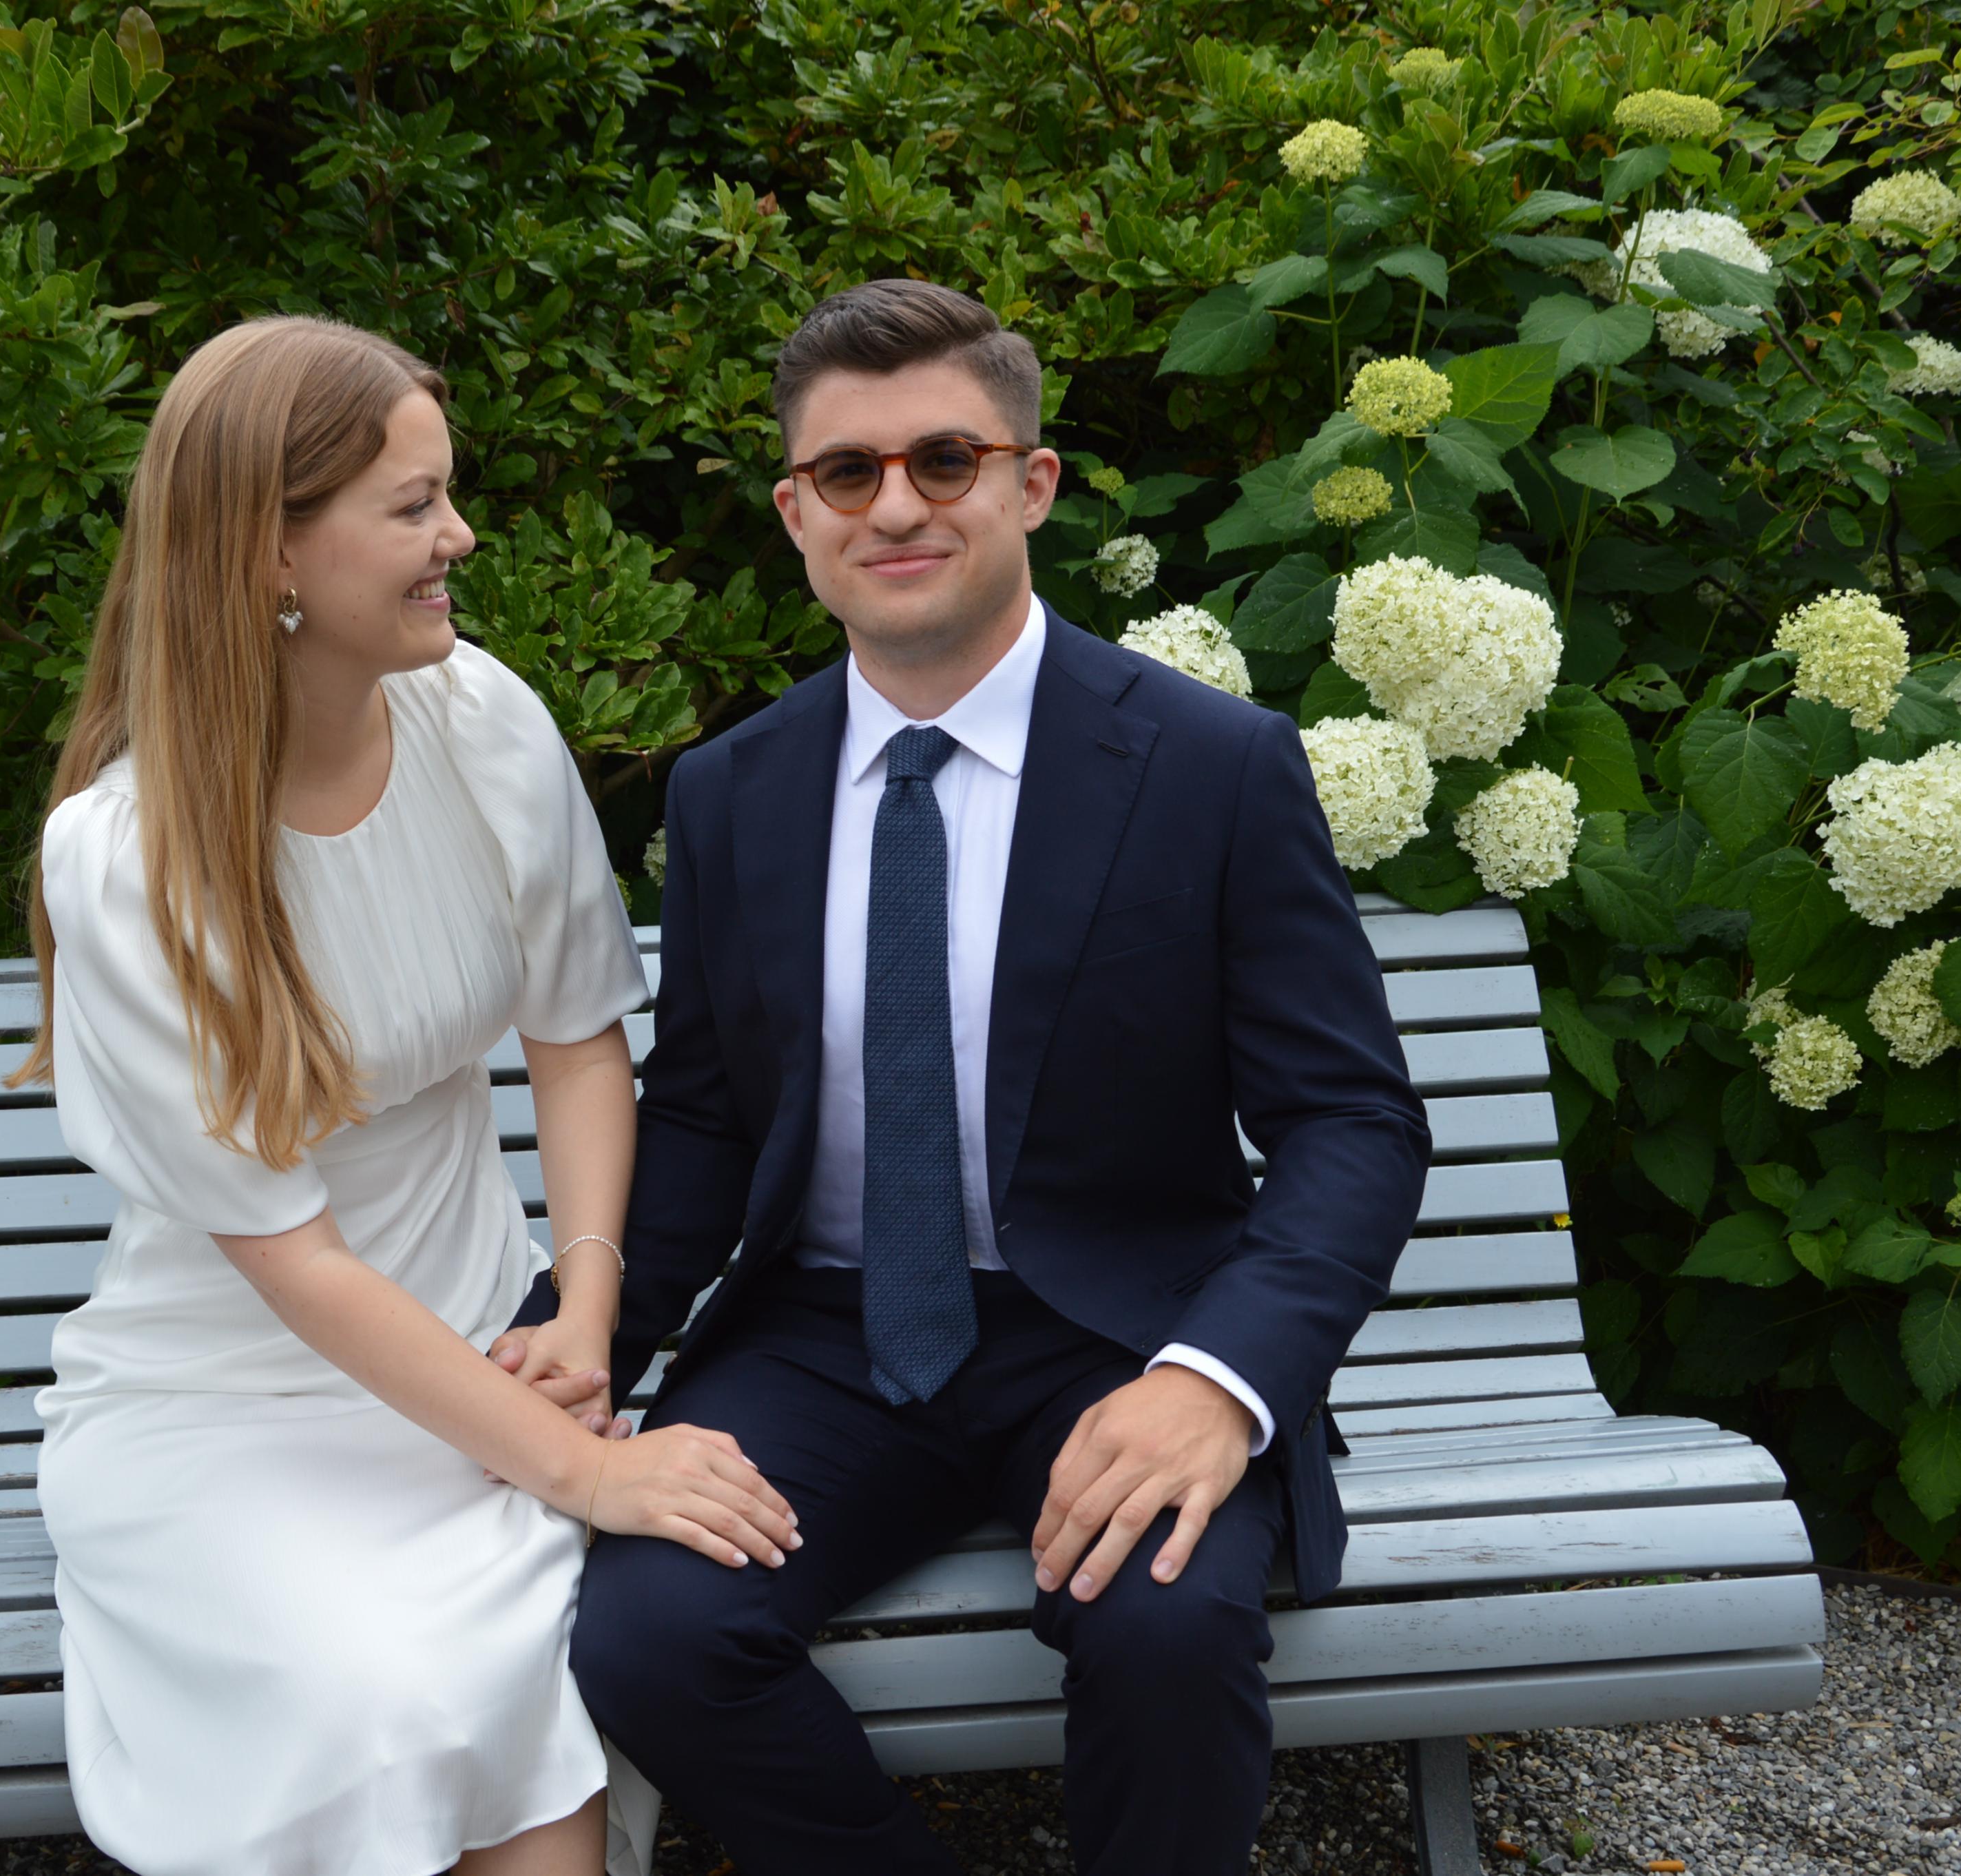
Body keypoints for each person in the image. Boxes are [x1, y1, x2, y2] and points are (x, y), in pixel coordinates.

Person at [550, 280, 1434, 1874]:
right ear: (796, 515)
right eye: (847, 472)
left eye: (943, 460)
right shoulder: (732, 790)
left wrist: (1216, 1382)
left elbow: (1348, 1121)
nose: (894, 506)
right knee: (650, 1635)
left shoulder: (1210, 765)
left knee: (1164, 1631)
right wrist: (579, 1339)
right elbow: (702, 1115)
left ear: (1030, 485)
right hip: (820, 1338)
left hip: (1120, 1332)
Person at [10, 314, 798, 1876]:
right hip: (231, 1406)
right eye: (414, 505)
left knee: (516, 1705)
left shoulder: (480, 719)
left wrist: (585, 1312)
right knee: (388, 1695)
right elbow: (294, 1261)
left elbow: (578, 1039)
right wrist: (585, 1471)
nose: (461, 537)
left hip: (489, 1346)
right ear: (271, 553)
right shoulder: (129, 861)